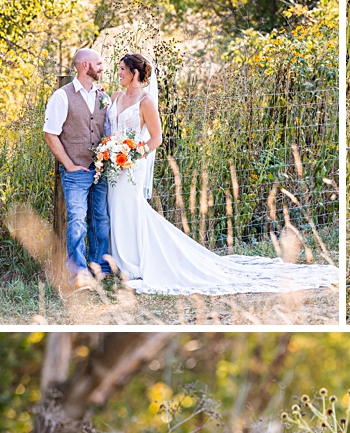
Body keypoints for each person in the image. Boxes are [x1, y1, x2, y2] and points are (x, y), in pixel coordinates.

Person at [101, 51, 338, 296]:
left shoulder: (146, 102)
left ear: (135, 73)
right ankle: (120, 261)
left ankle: (135, 263)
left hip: (133, 164)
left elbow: (156, 138)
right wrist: (111, 150)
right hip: (113, 162)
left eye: (121, 69)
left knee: (131, 207)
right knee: (115, 207)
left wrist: (134, 155)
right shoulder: (116, 96)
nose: (117, 73)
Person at [42, 48, 111, 287]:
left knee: (101, 218)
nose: (102, 68)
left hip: (100, 170)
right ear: (85, 66)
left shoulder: (103, 95)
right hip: (75, 172)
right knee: (78, 221)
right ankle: (79, 275)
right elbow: (50, 134)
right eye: (98, 64)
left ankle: (100, 269)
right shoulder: (62, 96)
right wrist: (69, 165)